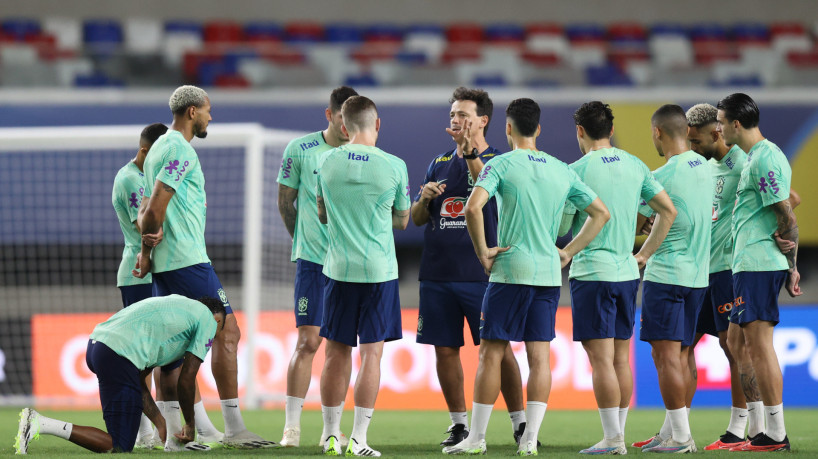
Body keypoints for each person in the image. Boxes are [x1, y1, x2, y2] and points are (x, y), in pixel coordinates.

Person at [444, 98, 610, 456]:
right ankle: (530, 440)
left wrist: (482, 251)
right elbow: (600, 213)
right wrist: (568, 251)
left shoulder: (501, 163)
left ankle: (476, 438)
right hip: (548, 274)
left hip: (509, 271)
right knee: (540, 358)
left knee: (491, 354)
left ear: (507, 128)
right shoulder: (562, 169)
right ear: (538, 129)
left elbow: (473, 207)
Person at [135, 85, 275, 448]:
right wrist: (147, 251)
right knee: (228, 334)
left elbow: (146, 214)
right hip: (188, 262)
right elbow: (153, 210)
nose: (212, 117)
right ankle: (234, 428)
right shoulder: (179, 150)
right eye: (209, 110)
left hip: (168, 265)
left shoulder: (158, 150)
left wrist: (147, 254)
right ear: (193, 112)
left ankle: (176, 436)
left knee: (174, 351)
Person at [410, 87, 526, 447]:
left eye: (463, 115)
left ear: (483, 120)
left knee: (499, 350)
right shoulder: (439, 162)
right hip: (437, 274)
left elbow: (484, 183)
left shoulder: (499, 161)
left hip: (482, 275)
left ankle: (520, 422)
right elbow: (415, 220)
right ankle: (459, 424)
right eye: (452, 116)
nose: (456, 121)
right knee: (444, 350)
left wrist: (470, 151)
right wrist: (424, 199)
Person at [559, 101, 676, 455]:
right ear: (611, 130)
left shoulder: (574, 170)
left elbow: (564, 227)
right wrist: (643, 254)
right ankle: (618, 436)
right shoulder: (636, 164)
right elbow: (667, 211)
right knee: (621, 358)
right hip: (627, 272)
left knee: (600, 361)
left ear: (579, 131)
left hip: (592, 272)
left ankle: (612, 440)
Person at [315, 95, 410, 457]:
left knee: (334, 354)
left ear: (343, 126)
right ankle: (359, 440)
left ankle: (329, 436)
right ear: (377, 124)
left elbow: (323, 215)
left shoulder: (326, 161)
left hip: (337, 269)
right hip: (378, 271)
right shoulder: (394, 165)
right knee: (372, 355)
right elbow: (402, 220)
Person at [14, 295, 226, 454]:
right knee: (118, 445)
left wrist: (159, 421)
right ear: (217, 321)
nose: (212, 340)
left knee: (122, 428)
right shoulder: (207, 320)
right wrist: (190, 425)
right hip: (118, 354)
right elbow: (187, 379)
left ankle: (40, 423)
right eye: (217, 334)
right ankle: (40, 423)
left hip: (97, 346)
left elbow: (136, 378)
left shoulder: (177, 310)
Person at [718, 93, 801, 452]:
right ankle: (756, 428)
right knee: (737, 343)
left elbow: (787, 213)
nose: (719, 129)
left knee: (759, 345)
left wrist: (792, 264)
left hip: (758, 264)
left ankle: (776, 433)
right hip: (746, 264)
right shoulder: (756, 157)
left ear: (736, 124)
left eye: (721, 122)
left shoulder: (765, 158)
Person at [276, 86, 358, 448]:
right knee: (308, 340)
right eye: (342, 118)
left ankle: (332, 429)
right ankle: (291, 428)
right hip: (312, 262)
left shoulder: (364, 154)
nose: (347, 126)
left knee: (340, 347)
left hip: (350, 265)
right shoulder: (300, 149)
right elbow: (285, 202)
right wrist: (303, 240)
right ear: (329, 115)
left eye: (352, 120)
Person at [636, 104, 713, 454]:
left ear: (658, 133)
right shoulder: (708, 169)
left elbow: (635, 222)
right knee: (683, 356)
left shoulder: (660, 176)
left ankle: (682, 439)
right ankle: (671, 432)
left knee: (665, 359)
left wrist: (638, 251)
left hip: (666, 274)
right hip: (698, 277)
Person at [110, 122, 169, 448]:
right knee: (142, 356)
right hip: (137, 273)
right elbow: (145, 226)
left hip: (151, 271)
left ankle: (158, 428)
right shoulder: (131, 179)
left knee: (162, 354)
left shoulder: (146, 177)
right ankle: (143, 431)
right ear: (145, 151)